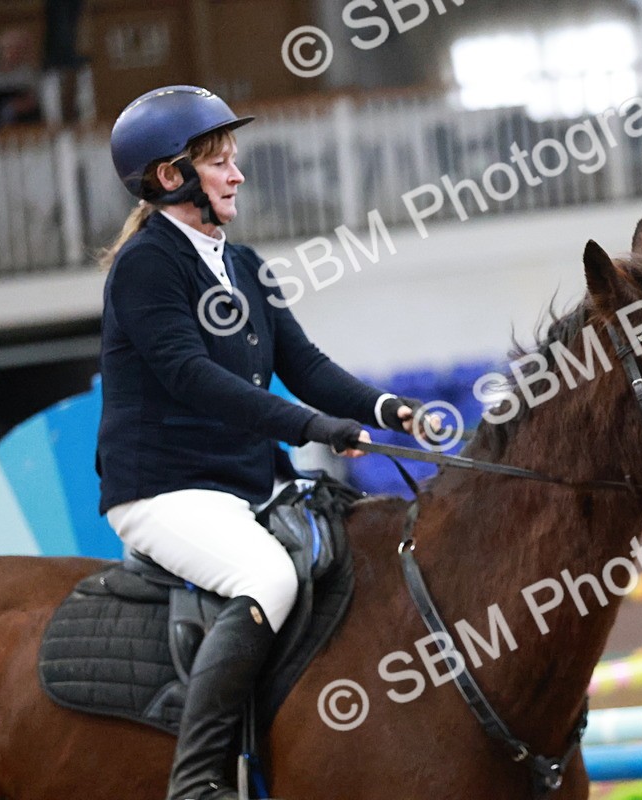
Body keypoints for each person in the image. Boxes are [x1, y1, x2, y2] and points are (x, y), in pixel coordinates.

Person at [96, 85, 421, 800]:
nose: (237, 175)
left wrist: (387, 408)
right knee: (267, 578)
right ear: (171, 177)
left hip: (244, 488)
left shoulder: (243, 267)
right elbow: (191, 377)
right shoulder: (148, 266)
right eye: (219, 164)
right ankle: (197, 780)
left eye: (234, 161)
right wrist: (312, 428)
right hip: (163, 490)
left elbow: (303, 366)